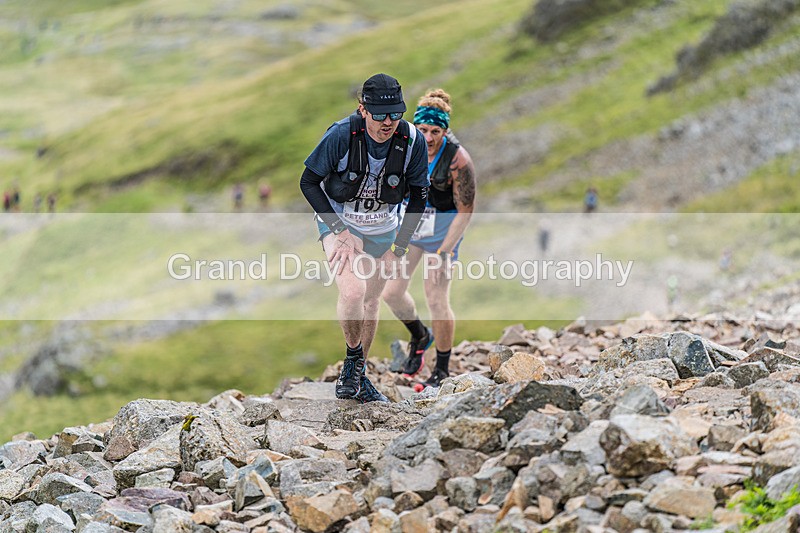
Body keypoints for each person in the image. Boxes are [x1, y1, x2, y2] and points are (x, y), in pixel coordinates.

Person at [300, 73, 429, 402]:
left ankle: (359, 374)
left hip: (384, 227)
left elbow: (418, 197)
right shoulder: (341, 136)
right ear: (363, 109)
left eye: (396, 114)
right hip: (339, 223)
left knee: (372, 299)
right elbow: (309, 182)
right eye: (381, 115)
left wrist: (398, 248)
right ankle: (353, 359)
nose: (389, 122)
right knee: (354, 291)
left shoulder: (411, 141)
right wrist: (340, 232)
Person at [382, 89, 476, 388]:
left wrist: (445, 253)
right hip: (412, 224)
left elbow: (466, 210)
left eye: (436, 131)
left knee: (436, 296)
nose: (429, 137)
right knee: (391, 293)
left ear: (445, 131)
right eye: (422, 130)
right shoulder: (405, 145)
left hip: (444, 229)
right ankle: (420, 335)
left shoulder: (457, 160)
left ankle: (442, 368)